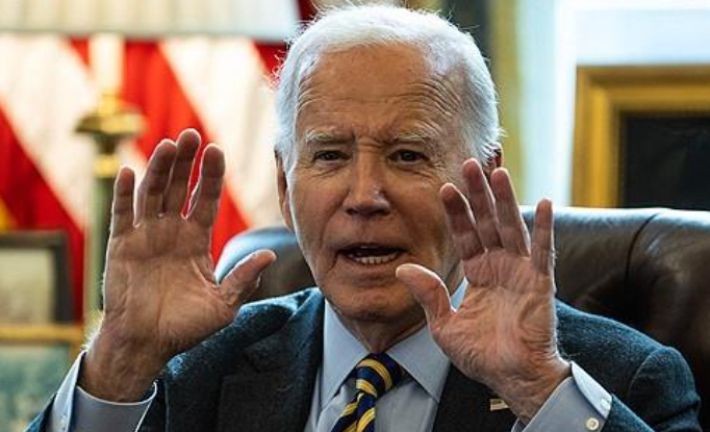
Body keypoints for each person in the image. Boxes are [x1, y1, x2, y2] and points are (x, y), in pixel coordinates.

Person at [29, 5, 700, 432]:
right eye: (329, 155)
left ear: (487, 179)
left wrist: (536, 388)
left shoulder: (620, 379)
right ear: (284, 185)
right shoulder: (201, 370)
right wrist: (119, 365)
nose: (365, 194)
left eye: (408, 155)